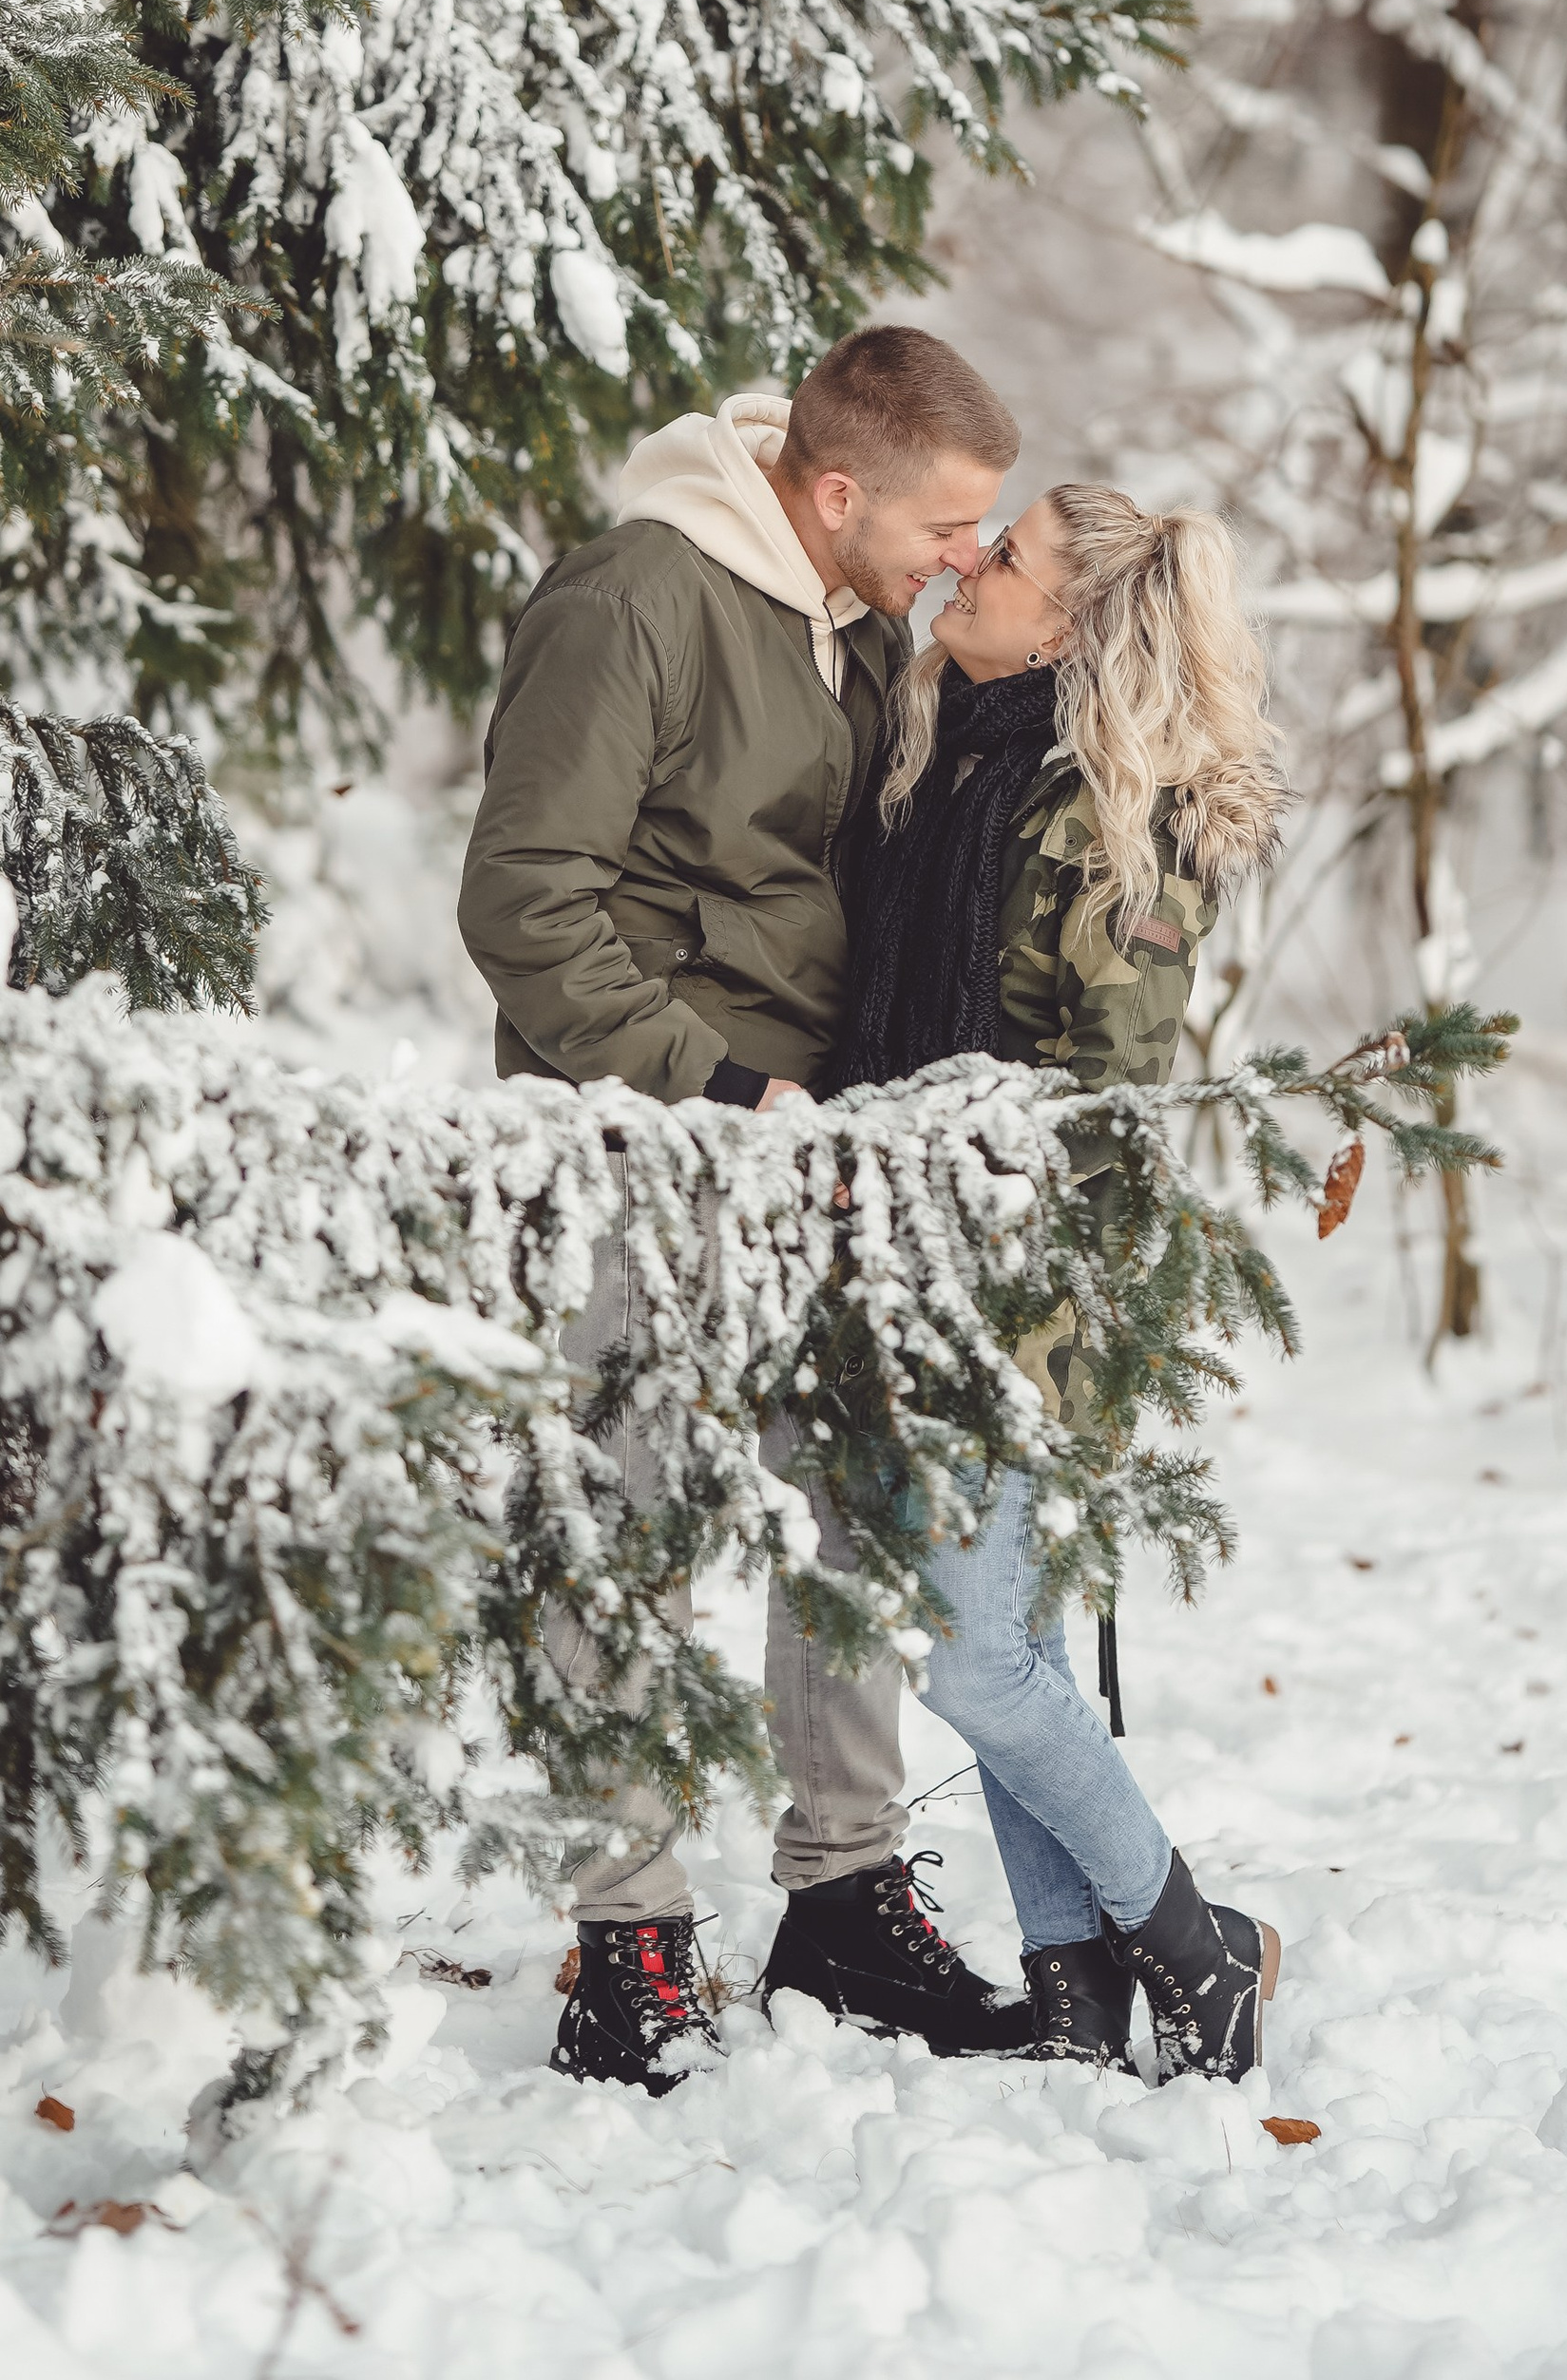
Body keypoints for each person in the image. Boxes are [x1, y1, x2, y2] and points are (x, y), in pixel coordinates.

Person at [458, 325, 1033, 2091]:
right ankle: (627, 1940)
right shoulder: (633, 600)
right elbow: (526, 899)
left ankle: (843, 1900)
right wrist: (709, 1084)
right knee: (625, 1527)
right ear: (836, 490)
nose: (965, 559)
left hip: (809, 1146)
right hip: (643, 1144)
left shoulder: (851, 623)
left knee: (842, 1519)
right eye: (948, 525)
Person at [836, 482, 1290, 2081]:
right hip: (912, 1260)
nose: (967, 565)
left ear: (1071, 628)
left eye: (1007, 557)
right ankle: (1077, 1985)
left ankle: (1196, 1943)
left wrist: (1010, 1259)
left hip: (1019, 1291)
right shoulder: (957, 764)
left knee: (978, 1662)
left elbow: (1112, 1103)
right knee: (1003, 1651)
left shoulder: (1117, 818)